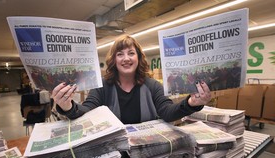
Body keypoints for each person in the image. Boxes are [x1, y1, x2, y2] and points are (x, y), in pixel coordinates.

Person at [52, 35, 212, 124]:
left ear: (139, 57)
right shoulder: (103, 87)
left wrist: (191, 104)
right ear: (113, 60)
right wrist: (68, 107)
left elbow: (168, 112)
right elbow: (86, 111)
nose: (126, 58)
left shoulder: (153, 86)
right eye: (120, 54)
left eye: (131, 53)